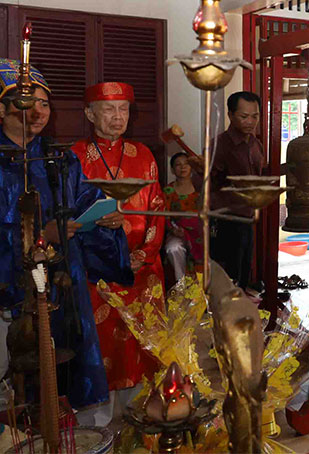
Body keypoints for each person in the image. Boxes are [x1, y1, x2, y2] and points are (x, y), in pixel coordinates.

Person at [0, 59, 133, 410]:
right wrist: (35, 234)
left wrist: (106, 220)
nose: (39, 111)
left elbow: (84, 199)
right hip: (15, 285)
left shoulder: (58, 158)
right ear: (2, 109)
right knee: (22, 370)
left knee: (69, 359)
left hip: (64, 277)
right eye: (28, 102)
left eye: (45, 104)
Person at [72, 82, 165, 424]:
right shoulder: (75, 156)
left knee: (140, 344)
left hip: (142, 267)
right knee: (100, 347)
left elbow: (157, 206)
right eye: (109, 109)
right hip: (96, 272)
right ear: (89, 113)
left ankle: (141, 419)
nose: (117, 117)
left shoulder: (143, 154)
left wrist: (147, 252)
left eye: (123, 109)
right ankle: (96, 425)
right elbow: (68, 214)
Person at [199, 91, 264, 289]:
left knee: (244, 274)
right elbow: (206, 183)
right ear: (230, 115)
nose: (250, 121)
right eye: (244, 116)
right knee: (227, 278)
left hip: (247, 217)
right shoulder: (219, 145)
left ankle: (241, 315)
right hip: (226, 220)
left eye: (255, 116)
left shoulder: (255, 144)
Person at [163, 152, 203, 282]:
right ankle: (181, 285)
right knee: (173, 248)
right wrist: (173, 230)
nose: (183, 167)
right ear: (173, 170)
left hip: (199, 233)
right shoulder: (168, 190)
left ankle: (201, 289)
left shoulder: (200, 187)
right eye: (178, 165)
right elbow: (164, 215)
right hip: (177, 231)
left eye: (186, 164)